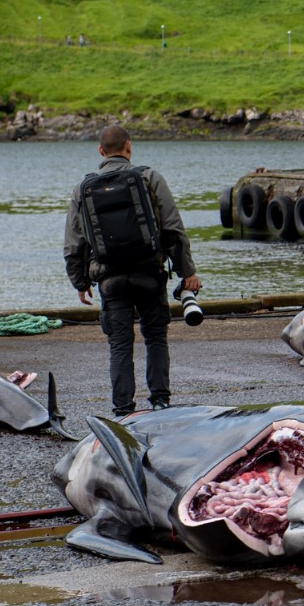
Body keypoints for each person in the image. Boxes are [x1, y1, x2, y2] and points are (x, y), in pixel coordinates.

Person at [64, 124, 200, 417]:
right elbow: (174, 229)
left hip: (110, 279)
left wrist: (80, 281)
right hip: (149, 274)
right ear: (129, 147)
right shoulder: (150, 177)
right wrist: (187, 271)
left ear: (101, 151)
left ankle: (123, 409)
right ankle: (161, 401)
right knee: (155, 337)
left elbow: (74, 242)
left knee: (120, 344)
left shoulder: (83, 189)